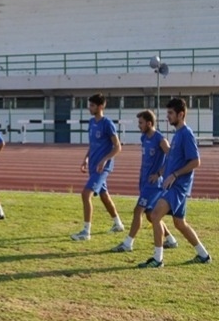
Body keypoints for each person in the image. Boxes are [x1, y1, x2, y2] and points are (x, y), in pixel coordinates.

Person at [139, 98, 211, 267]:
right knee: (179, 223)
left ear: (181, 114)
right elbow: (172, 159)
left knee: (155, 215)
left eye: (171, 113)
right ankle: (204, 255)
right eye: (167, 113)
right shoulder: (177, 134)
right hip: (173, 186)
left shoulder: (186, 134)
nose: (167, 117)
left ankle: (157, 259)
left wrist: (175, 175)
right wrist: (161, 174)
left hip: (178, 186)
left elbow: (196, 161)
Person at [112, 110, 178, 252]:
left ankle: (128, 243)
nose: (139, 126)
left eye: (141, 123)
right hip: (144, 182)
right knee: (150, 215)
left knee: (138, 211)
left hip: (153, 185)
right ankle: (171, 240)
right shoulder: (144, 138)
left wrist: (159, 173)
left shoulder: (160, 139)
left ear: (149, 123)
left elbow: (171, 157)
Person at [71, 93, 125, 241]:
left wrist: (104, 161)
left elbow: (117, 147)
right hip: (93, 166)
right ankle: (118, 224)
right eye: (90, 105)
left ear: (101, 106)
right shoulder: (91, 122)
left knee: (85, 194)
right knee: (104, 195)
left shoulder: (107, 123)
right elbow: (92, 144)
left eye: (92, 105)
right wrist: (86, 159)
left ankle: (86, 232)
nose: (90, 108)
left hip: (102, 167)